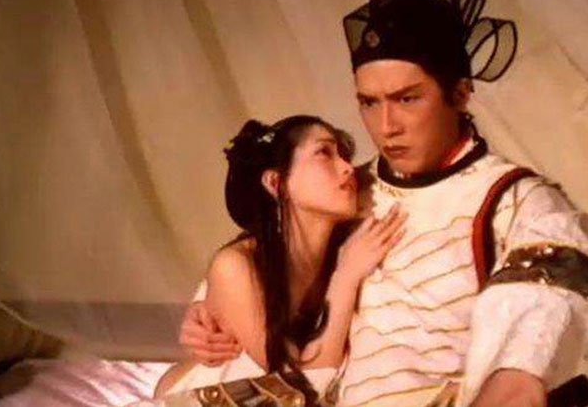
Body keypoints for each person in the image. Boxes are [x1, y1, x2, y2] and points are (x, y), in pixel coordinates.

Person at [181, 0, 588, 406]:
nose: (386, 127)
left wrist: (517, 379)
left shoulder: (514, 199)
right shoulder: (349, 193)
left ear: (459, 94)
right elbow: (263, 264)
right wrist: (210, 318)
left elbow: (555, 306)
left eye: (407, 99)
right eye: (369, 103)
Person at [154, 115, 406, 401]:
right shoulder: (236, 265)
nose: (348, 167)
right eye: (324, 153)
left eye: (344, 156)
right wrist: (346, 278)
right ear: (276, 182)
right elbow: (297, 384)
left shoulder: (346, 243)